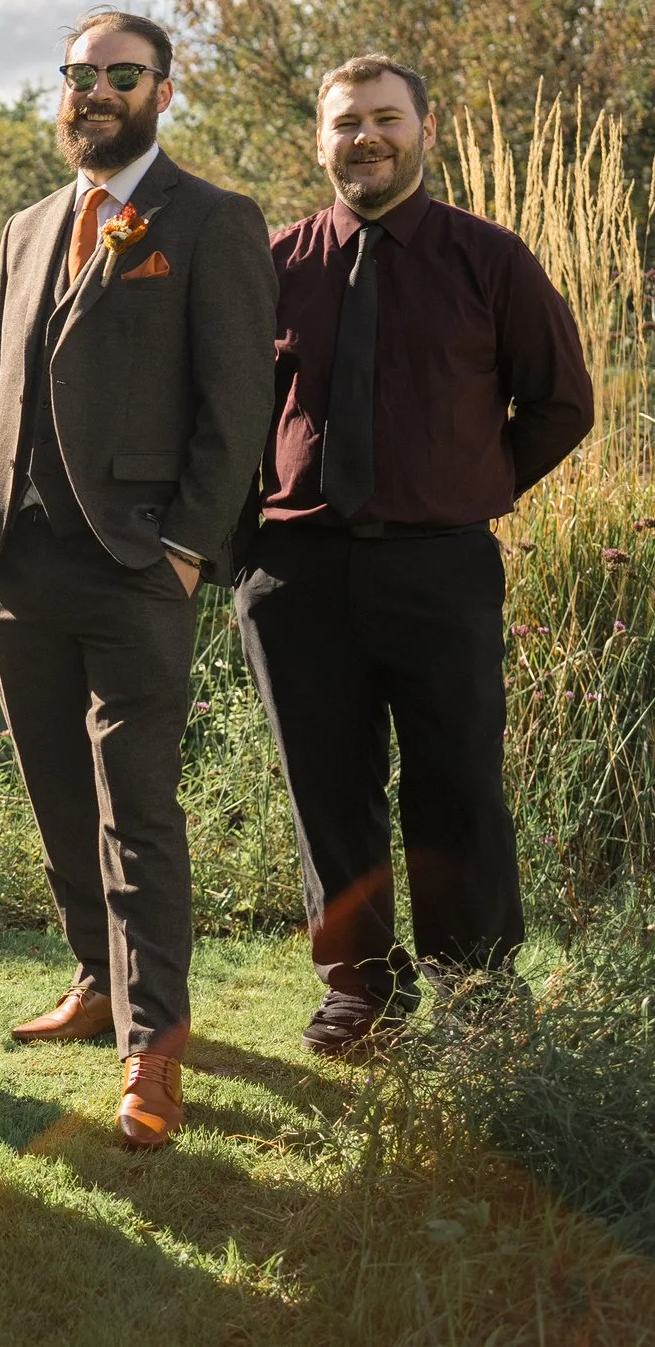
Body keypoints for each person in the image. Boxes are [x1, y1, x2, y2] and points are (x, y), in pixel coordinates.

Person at [0, 9, 275, 1148]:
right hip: (16, 560)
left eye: (119, 74)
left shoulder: (214, 220)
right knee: (56, 796)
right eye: (78, 73)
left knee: (135, 806)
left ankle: (154, 1045)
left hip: (138, 561)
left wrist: (187, 547)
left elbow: (238, 403)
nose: (93, 90)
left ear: (162, 91)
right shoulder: (28, 225)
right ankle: (96, 978)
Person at [236, 55, 591, 1057]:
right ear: (321, 140)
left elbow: (561, 402)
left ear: (423, 132)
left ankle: (477, 994)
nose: (367, 138)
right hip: (296, 573)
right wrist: (243, 549)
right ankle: (360, 992)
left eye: (386, 118)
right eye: (346, 122)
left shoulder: (491, 258)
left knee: (457, 785)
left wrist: (473, 483)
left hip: (440, 568)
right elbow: (227, 418)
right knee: (325, 790)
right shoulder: (274, 264)